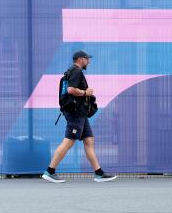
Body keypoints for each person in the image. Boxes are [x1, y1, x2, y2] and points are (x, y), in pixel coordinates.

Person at [42, 50, 117, 183]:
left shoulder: (72, 71)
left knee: (89, 140)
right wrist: (85, 92)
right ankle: (50, 171)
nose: (89, 61)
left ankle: (99, 173)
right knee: (69, 141)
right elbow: (71, 90)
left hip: (80, 113)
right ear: (80, 59)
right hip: (75, 113)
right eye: (87, 59)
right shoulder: (76, 71)